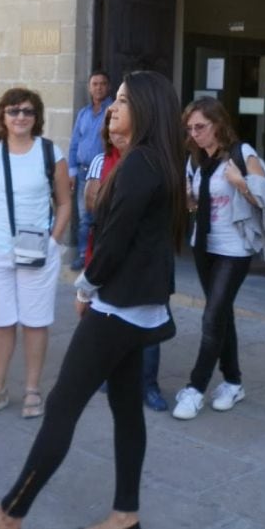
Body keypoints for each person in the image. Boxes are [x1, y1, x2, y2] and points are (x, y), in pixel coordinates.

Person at [0, 70, 186, 529]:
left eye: (121, 100)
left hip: (117, 306)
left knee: (61, 406)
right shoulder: (155, 160)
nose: (112, 108)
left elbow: (115, 240)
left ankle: (8, 514)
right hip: (137, 304)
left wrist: (86, 286)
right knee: (124, 406)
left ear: (145, 109)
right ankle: (125, 515)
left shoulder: (140, 164)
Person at [0, 87, 71, 420]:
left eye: (27, 111)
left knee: (35, 322)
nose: (20, 117)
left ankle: (32, 389)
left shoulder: (50, 153)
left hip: (36, 247)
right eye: (13, 111)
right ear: (3, 116)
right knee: (2, 321)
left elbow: (65, 202)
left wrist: (53, 241)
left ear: (36, 117)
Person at [173, 96, 265, 421]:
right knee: (221, 316)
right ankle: (233, 382)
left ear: (218, 124)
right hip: (204, 245)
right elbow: (194, 208)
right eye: (190, 128)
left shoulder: (242, 154)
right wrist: (191, 199)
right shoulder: (195, 160)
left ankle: (195, 389)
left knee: (211, 317)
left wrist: (241, 184)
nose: (195, 134)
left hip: (234, 249)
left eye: (201, 127)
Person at [84, 108, 167, 412]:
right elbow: (91, 203)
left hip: (143, 263)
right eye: (111, 130)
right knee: (109, 322)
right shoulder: (101, 161)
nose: (115, 133)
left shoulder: (147, 163)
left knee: (147, 329)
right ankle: (113, 375)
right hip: (108, 251)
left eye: (120, 129)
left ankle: (149, 385)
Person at [67, 70, 112, 270]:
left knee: (104, 216)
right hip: (84, 172)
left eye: (102, 83)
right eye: (95, 83)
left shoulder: (113, 110)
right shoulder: (83, 114)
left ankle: (102, 256)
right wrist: (72, 170)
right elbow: (75, 142)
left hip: (106, 172)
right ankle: (84, 255)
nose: (99, 87)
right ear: (89, 87)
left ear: (108, 87)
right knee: (85, 216)